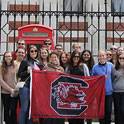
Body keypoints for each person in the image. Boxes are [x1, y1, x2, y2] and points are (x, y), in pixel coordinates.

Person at [18, 45, 44, 124]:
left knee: (30, 109)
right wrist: (27, 72)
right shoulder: (25, 61)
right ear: (28, 52)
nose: (34, 52)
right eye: (32, 51)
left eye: (35, 51)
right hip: (25, 87)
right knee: (24, 109)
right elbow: (19, 74)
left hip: (34, 88)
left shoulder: (38, 62)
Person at [66, 51, 90, 124]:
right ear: (72, 57)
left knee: (80, 115)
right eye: (74, 56)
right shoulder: (68, 67)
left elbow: (88, 78)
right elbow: (65, 79)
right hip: (70, 94)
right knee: (71, 115)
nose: (76, 58)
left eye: (77, 57)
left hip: (80, 94)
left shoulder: (83, 66)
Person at [92, 50, 113, 124]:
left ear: (106, 56)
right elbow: (93, 79)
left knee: (108, 111)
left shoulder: (111, 65)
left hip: (109, 92)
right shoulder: (95, 67)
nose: (102, 57)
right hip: (99, 93)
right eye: (100, 55)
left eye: (103, 55)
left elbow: (113, 77)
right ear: (98, 57)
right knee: (101, 111)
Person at [43, 52, 64, 124]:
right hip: (48, 92)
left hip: (58, 92)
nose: (54, 59)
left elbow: (64, 80)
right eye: (52, 57)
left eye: (55, 57)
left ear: (57, 58)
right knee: (49, 110)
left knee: (58, 110)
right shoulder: (46, 67)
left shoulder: (61, 68)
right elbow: (42, 78)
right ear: (49, 59)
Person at [0, 51, 18, 124]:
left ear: (12, 57)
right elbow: (1, 80)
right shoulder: (1, 67)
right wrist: (10, 90)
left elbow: (18, 78)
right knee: (6, 110)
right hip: (5, 92)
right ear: (4, 58)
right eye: (6, 56)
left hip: (15, 92)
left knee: (13, 110)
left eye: (9, 56)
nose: (8, 58)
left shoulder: (15, 65)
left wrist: (16, 89)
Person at [112, 52, 124, 124]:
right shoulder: (114, 68)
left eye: (123, 58)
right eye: (120, 58)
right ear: (118, 59)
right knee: (117, 110)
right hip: (116, 92)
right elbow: (112, 79)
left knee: (123, 110)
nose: (122, 59)